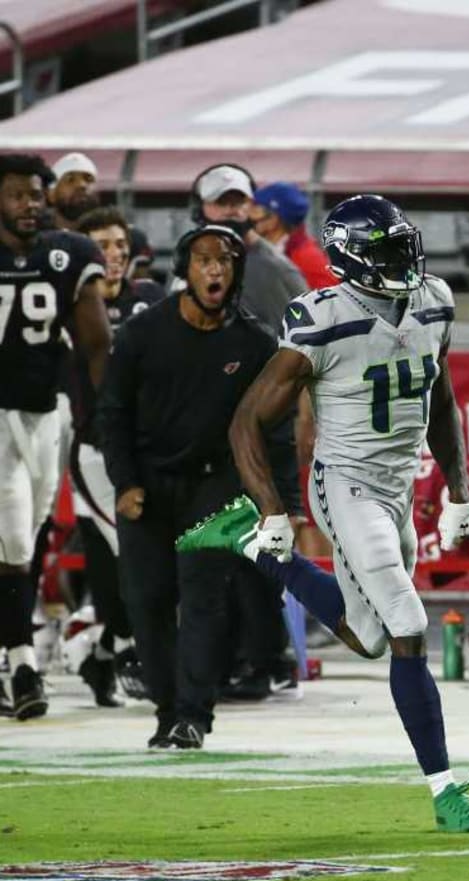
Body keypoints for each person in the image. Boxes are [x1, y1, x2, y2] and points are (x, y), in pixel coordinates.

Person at [175, 195, 469, 833]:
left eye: (403, 244)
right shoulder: (322, 318)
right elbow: (247, 419)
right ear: (351, 259)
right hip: (346, 486)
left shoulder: (434, 299)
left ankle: (256, 551)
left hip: (400, 484)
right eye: (385, 250)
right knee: (407, 624)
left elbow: (442, 397)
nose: (402, 258)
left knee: (369, 635)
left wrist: (458, 488)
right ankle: (445, 792)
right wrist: (273, 505)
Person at [96, 225, 277, 748]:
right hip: (146, 486)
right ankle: (166, 709)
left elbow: (274, 428)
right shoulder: (141, 333)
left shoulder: (255, 341)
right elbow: (112, 414)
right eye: (203, 260)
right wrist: (124, 481)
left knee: (204, 600)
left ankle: (194, 715)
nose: (215, 269)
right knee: (146, 600)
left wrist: (274, 501)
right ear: (185, 268)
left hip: (214, 485)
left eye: (225, 260)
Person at [0, 154, 111, 720]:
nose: (31, 204)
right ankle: (21, 662)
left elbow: (96, 344)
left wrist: (107, 413)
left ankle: (13, 651)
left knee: (30, 534)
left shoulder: (65, 254)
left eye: (36, 194)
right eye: (17, 194)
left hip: (46, 413)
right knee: (16, 538)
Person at [191, 163, 308, 700]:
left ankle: (267, 659)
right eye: (223, 202)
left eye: (240, 200)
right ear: (202, 207)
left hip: (264, 431)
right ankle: (238, 656)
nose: (233, 209)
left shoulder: (271, 269)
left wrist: (303, 425)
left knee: (261, 550)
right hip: (215, 432)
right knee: (220, 549)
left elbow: (310, 353)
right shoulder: (194, 262)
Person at [69, 206, 165, 706]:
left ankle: (101, 650)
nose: (113, 257)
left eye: (121, 248)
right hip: (95, 452)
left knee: (132, 561)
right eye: (102, 247)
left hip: (147, 449)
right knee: (135, 557)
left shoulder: (150, 299)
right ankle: (133, 651)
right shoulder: (66, 302)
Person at [251, 182, 337, 290]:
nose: (250, 216)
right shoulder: (269, 249)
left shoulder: (307, 258)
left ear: (273, 218)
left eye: (256, 209)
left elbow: (330, 302)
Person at [48, 153, 101, 230]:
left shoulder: (113, 237)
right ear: (51, 194)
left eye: (88, 179)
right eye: (70, 180)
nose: (82, 185)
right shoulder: (38, 238)